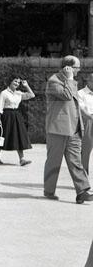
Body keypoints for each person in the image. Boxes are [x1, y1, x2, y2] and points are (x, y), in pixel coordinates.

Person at [43, 56, 93, 203]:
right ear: (68, 68)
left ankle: (82, 191)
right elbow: (66, 96)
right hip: (58, 129)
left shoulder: (71, 82)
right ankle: (49, 191)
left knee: (76, 161)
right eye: (77, 67)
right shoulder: (54, 81)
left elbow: (75, 105)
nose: (79, 70)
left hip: (74, 129)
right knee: (54, 162)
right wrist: (70, 78)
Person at [0, 75, 35, 166]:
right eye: (15, 81)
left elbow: (32, 95)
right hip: (5, 116)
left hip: (16, 116)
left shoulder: (19, 93)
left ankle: (22, 159)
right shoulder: (4, 93)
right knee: (1, 136)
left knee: (19, 136)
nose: (17, 83)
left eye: (18, 82)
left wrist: (26, 86)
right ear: (10, 81)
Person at [78, 72, 93, 175]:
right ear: (89, 81)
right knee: (86, 149)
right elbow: (82, 109)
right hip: (88, 121)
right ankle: (83, 175)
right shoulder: (80, 93)